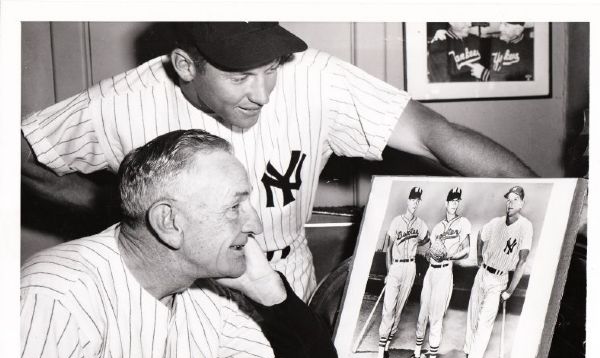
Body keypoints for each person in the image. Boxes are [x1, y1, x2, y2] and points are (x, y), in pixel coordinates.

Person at [21, 21, 537, 304]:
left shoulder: (313, 78)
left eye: (269, 69)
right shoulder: (124, 101)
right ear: (185, 65)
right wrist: (120, 212)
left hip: (286, 268)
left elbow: (436, 135)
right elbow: (21, 151)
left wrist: (559, 203)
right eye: (240, 76)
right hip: (183, 285)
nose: (263, 93)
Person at [19, 129, 338, 358]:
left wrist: (267, 289)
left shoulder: (199, 291)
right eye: (234, 207)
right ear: (169, 222)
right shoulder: (56, 294)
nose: (254, 224)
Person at [454, 185, 532, 358]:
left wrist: (510, 291)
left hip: (499, 280)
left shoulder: (525, 227)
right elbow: (480, 235)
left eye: (515, 199)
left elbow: (522, 262)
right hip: (482, 274)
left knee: (484, 325)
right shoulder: (496, 223)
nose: (510, 203)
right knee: (472, 320)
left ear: (522, 203)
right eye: (508, 199)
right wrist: (479, 257)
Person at [403, 187, 471, 358]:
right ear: (446, 203)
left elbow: (466, 250)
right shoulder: (439, 227)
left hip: (444, 272)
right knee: (422, 315)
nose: (454, 204)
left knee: (436, 318)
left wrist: (450, 254)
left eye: (457, 201)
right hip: (431, 272)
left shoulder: (463, 223)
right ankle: (417, 355)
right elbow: (431, 250)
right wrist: (428, 253)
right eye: (451, 201)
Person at [373, 186, 429, 358]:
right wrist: (389, 271)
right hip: (396, 267)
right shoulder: (397, 221)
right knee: (388, 308)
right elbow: (387, 248)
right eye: (412, 199)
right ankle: (380, 357)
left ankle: (386, 347)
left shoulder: (421, 224)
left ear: (420, 203)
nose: (415, 203)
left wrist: (414, 244)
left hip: (410, 267)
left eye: (418, 200)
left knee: (398, 310)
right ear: (408, 201)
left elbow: (425, 239)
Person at [469, 22, 534, 82]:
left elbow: (518, 86)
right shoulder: (496, 42)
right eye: (501, 23)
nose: (500, 28)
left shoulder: (530, 51)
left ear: (518, 31)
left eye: (506, 25)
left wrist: (485, 75)